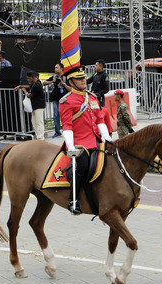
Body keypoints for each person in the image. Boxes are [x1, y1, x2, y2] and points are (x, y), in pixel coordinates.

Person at [59, 65, 112, 215]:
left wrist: (107, 137)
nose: (83, 80)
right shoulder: (66, 101)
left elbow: (100, 119)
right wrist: (70, 147)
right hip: (79, 142)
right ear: (71, 81)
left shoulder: (92, 97)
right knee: (81, 167)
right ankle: (73, 200)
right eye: (79, 78)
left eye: (83, 77)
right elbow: (67, 126)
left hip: (95, 139)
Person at [14, 71, 45, 140]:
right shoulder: (35, 83)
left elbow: (29, 95)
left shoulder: (37, 85)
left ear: (33, 77)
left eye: (28, 78)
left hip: (39, 106)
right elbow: (29, 86)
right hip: (35, 106)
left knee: (39, 122)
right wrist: (20, 86)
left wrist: (24, 91)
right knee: (34, 121)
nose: (28, 80)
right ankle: (38, 136)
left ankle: (41, 137)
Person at [43, 62, 71, 138]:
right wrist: (52, 81)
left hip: (64, 99)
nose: (55, 69)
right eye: (55, 67)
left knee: (65, 116)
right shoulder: (54, 77)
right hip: (56, 99)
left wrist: (63, 83)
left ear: (62, 68)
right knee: (56, 115)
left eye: (57, 67)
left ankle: (66, 131)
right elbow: (44, 83)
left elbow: (71, 88)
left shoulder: (66, 77)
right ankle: (57, 131)